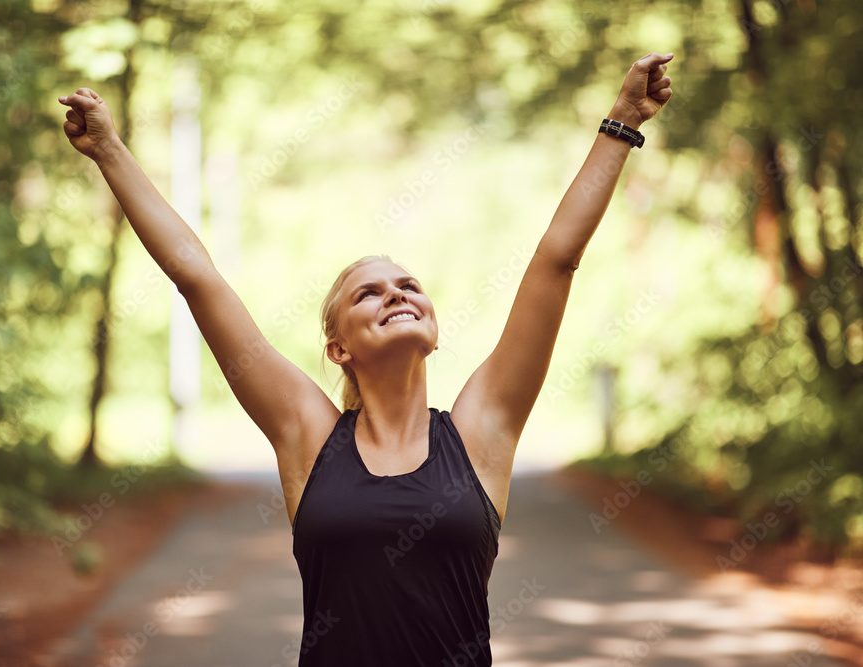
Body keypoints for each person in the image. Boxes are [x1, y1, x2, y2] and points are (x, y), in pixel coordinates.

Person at [59, 50, 674, 666]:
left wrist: (622, 121)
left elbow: (555, 262)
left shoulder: (481, 432)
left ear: (432, 329)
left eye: (408, 285)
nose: (397, 294)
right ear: (338, 348)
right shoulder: (308, 436)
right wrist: (109, 149)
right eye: (369, 293)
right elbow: (197, 277)